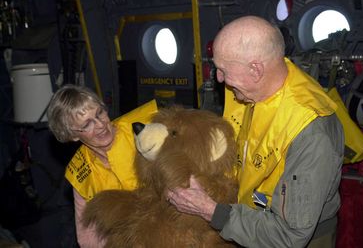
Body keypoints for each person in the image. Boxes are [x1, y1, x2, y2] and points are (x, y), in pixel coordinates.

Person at [167, 16, 344, 247]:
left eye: (222, 70)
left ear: (255, 69)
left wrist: (211, 211)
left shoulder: (311, 133)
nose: (219, 79)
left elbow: (288, 236)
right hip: (248, 219)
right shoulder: (255, 89)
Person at [47, 84, 157, 247]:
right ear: (73, 135)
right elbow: (88, 237)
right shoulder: (81, 173)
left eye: (100, 113)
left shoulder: (144, 128)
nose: (100, 125)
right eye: (86, 125)